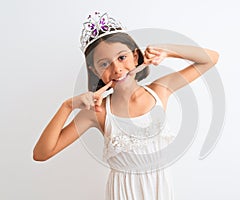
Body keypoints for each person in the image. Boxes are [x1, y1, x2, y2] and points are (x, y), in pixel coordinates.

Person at [33, 12, 219, 200]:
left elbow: (210, 59)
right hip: (123, 193)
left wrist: (167, 50)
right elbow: (41, 153)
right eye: (104, 64)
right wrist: (68, 106)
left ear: (135, 55)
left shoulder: (161, 90)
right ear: (95, 71)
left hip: (160, 189)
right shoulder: (98, 112)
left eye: (122, 58)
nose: (117, 69)